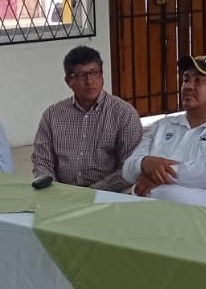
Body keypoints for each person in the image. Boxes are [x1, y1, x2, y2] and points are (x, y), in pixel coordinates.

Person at [121, 55, 206, 209]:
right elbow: (128, 170)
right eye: (186, 79)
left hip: (202, 218)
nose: (188, 86)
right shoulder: (162, 126)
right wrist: (144, 163)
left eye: (198, 80)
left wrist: (159, 172)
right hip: (142, 211)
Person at [32, 46, 143, 191]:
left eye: (94, 73)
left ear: (102, 75)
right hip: (62, 193)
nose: (90, 81)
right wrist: (53, 189)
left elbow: (129, 167)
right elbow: (42, 160)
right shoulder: (52, 115)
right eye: (81, 75)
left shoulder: (124, 114)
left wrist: (91, 192)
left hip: (107, 194)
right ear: (68, 81)